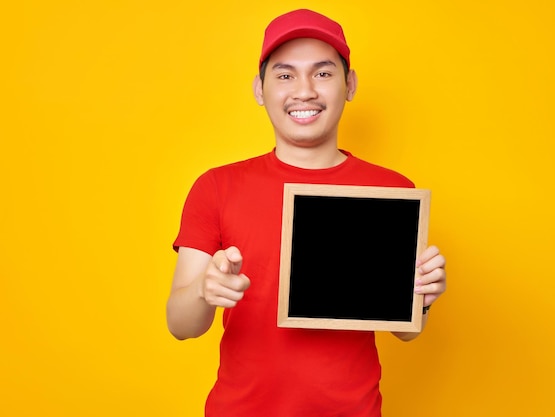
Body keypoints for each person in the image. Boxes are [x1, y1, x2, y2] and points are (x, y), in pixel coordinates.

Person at [167, 8, 447, 417]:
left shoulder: (391, 191)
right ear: (259, 90)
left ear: (349, 84)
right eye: (284, 75)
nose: (304, 91)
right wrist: (204, 291)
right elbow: (181, 324)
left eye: (323, 73)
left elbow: (406, 332)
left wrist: (422, 295)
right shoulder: (216, 187)